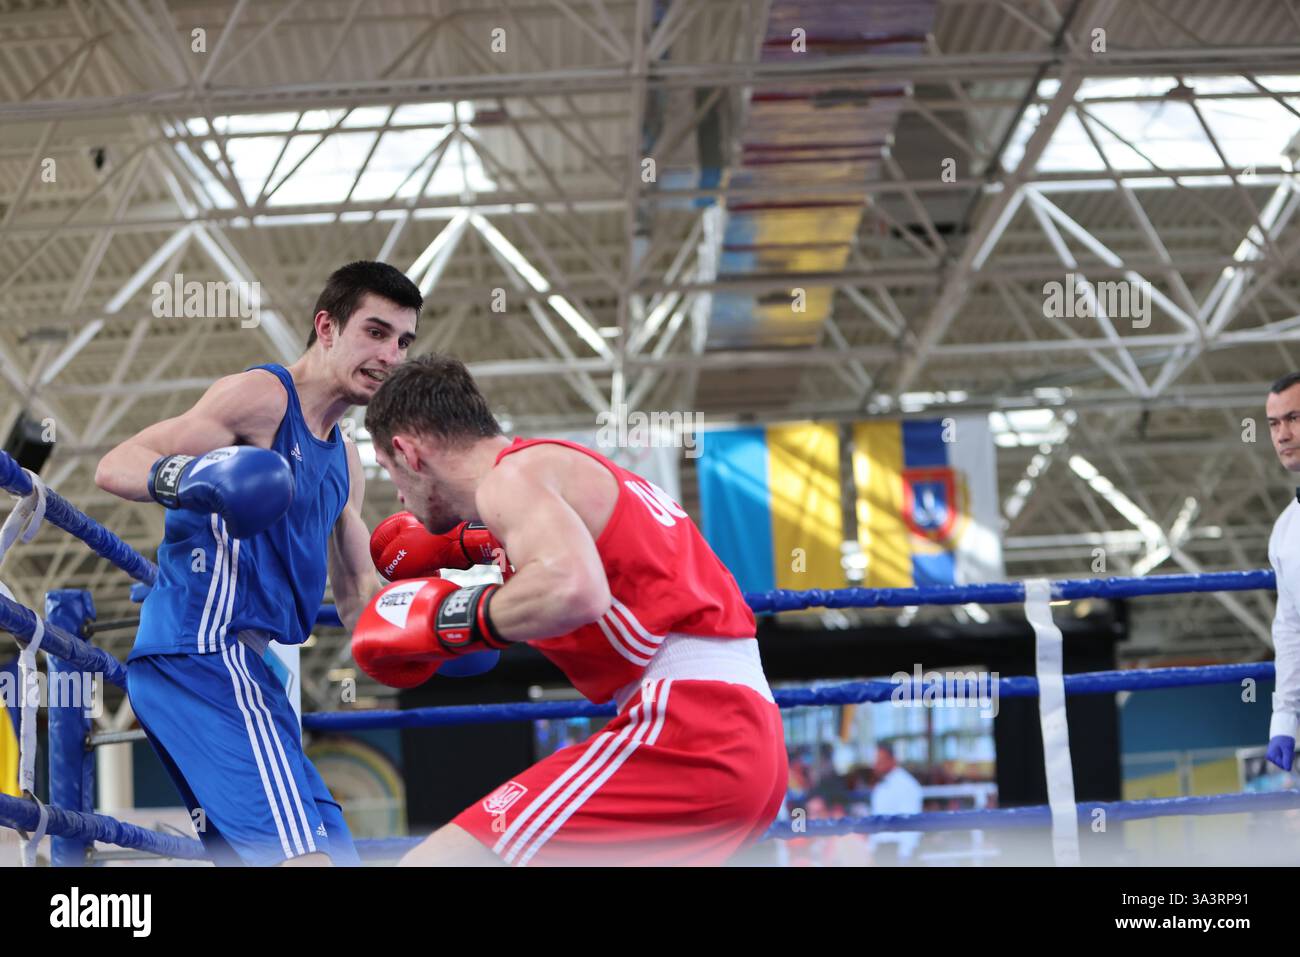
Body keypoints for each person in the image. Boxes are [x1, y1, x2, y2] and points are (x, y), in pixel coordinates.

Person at [352, 354, 787, 866]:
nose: (400, 495)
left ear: (408, 451)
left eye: (389, 472)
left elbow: (574, 587)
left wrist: (446, 620)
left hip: (692, 730)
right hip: (745, 740)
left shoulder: (509, 480)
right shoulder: (553, 469)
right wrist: (466, 546)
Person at [94, 261, 421, 865]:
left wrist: (444, 626)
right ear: (326, 327)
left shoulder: (345, 462)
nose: (392, 355)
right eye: (376, 332)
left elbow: (356, 597)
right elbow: (116, 463)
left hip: (250, 671)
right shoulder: (263, 397)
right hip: (200, 654)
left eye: (404, 340)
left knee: (334, 856)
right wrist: (199, 476)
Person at [1264, 372, 1300, 772]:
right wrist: (1283, 720)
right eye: (1274, 424)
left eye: (1293, 418)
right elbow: (1290, 628)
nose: (1283, 434)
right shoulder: (1285, 532)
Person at [868, 743, 923, 865]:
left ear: (892, 760)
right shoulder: (880, 785)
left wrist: (905, 854)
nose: (875, 764)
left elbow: (911, 821)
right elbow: (876, 817)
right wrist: (871, 848)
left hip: (896, 848)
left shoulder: (906, 785)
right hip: (882, 848)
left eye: (880, 760)